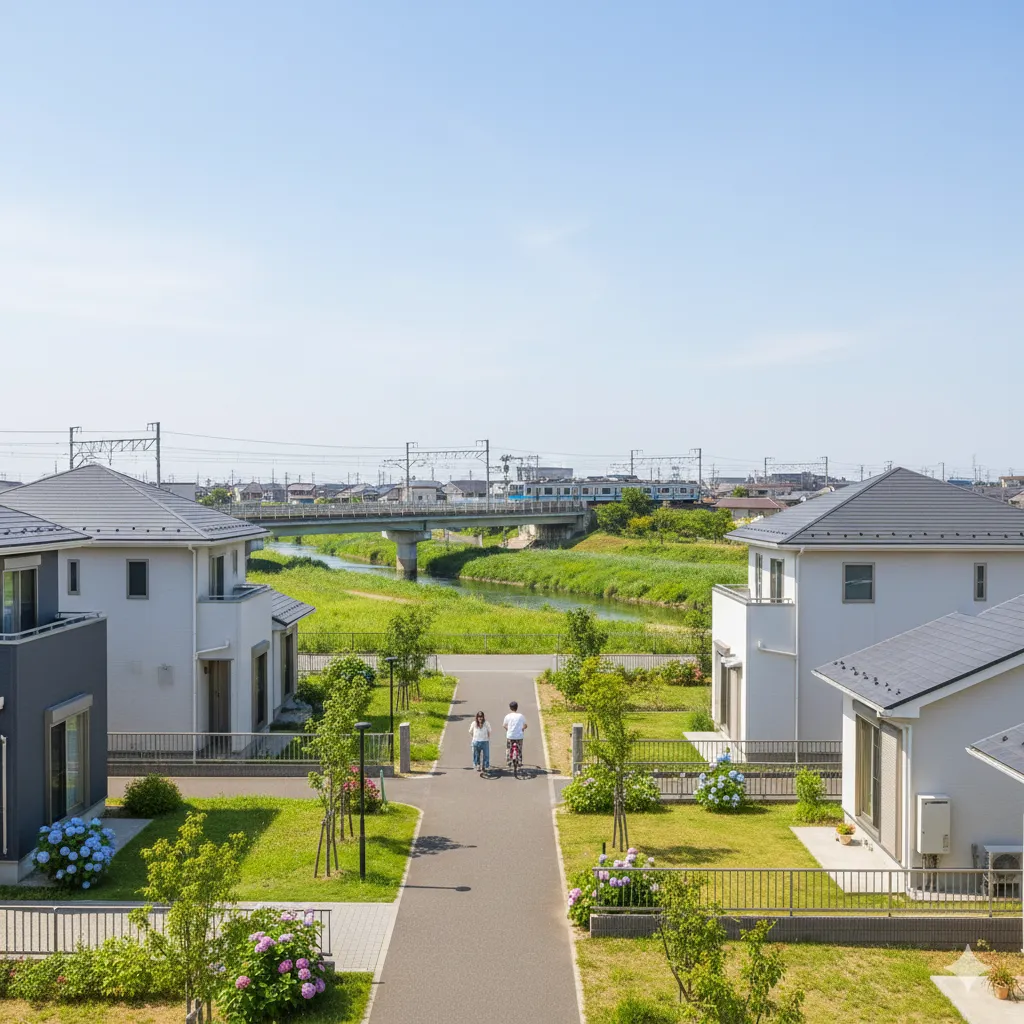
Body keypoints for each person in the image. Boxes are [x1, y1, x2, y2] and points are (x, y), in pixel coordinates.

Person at [503, 700, 527, 766]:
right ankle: (519, 761)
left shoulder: (507, 716)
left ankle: (508, 761)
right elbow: (525, 725)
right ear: (517, 707)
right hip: (519, 736)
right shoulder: (521, 716)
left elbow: (504, 725)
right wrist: (522, 729)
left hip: (510, 735)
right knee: (519, 749)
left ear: (510, 708)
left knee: (509, 748)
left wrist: (508, 729)